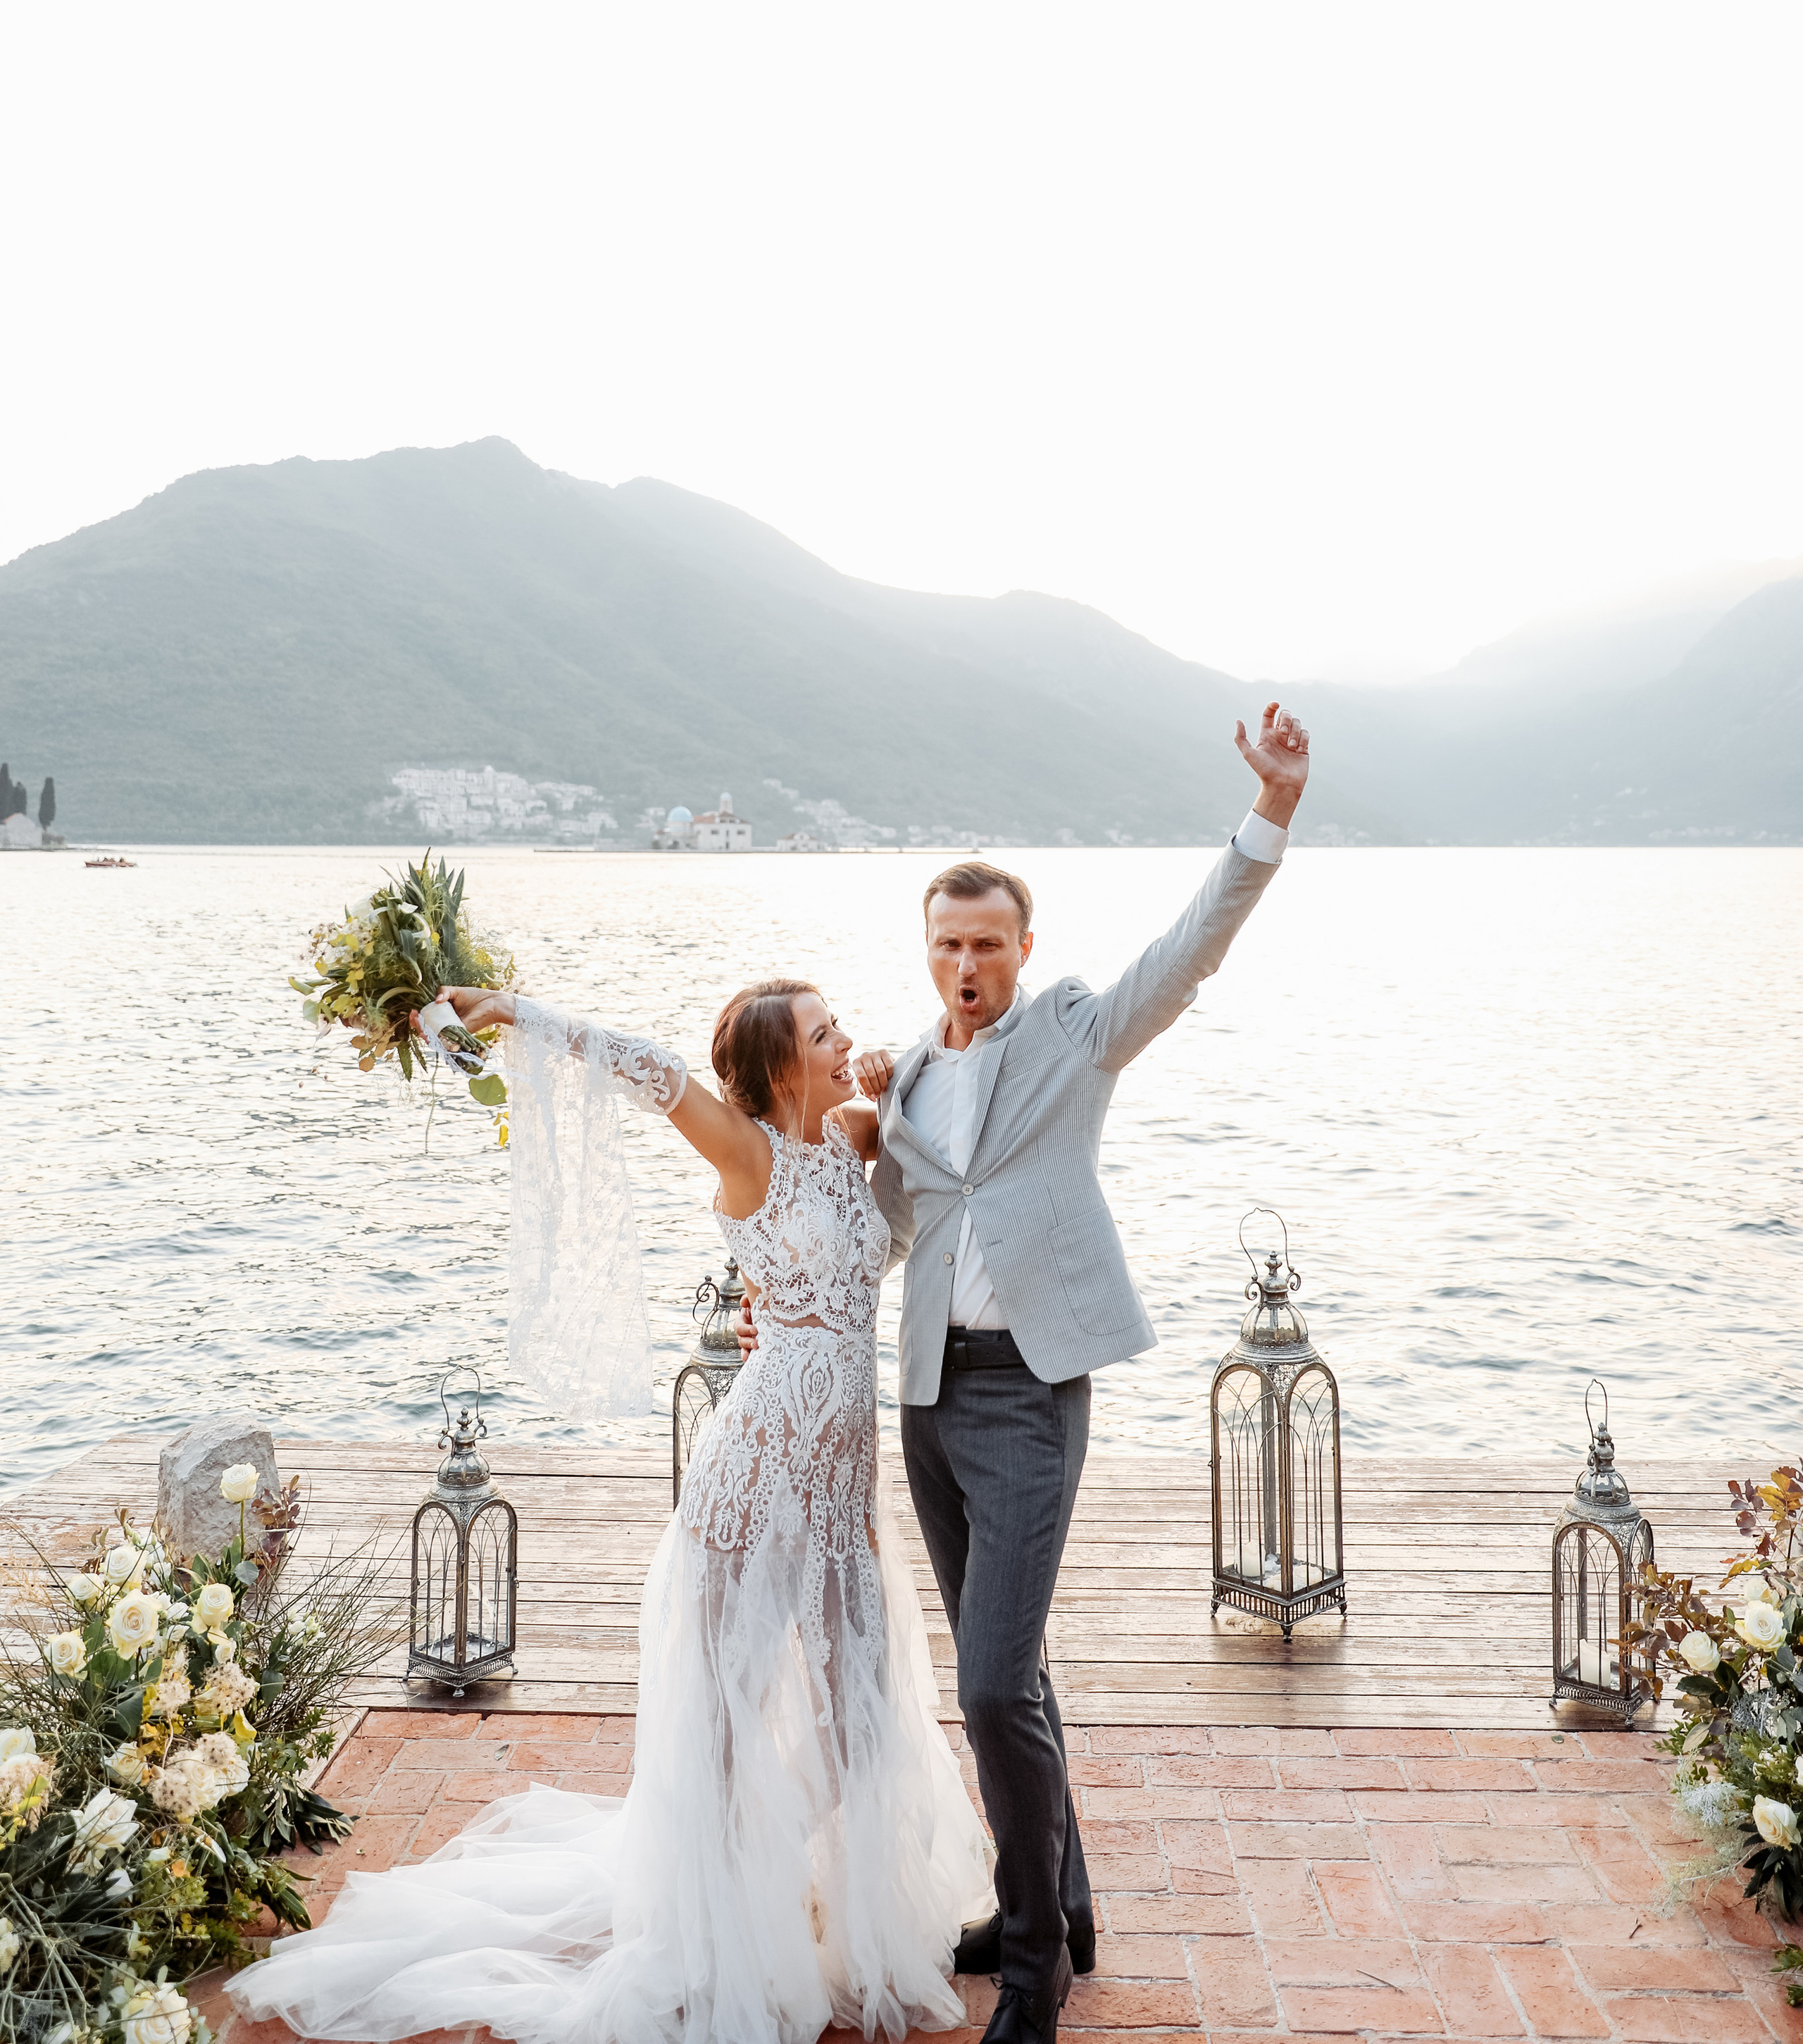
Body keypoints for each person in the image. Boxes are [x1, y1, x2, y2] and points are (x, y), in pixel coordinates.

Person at [227, 977, 992, 2044]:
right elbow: (648, 1069)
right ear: (779, 1070)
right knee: (725, 1715)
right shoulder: (748, 1152)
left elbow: (914, 1105)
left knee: (858, 1702)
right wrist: (514, 1012)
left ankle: (823, 1899)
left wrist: (884, 1079)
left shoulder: (848, 1135)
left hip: (838, 1481)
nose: (842, 1036)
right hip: (753, 1470)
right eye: (823, 1034)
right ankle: (722, 1926)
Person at [764, 699, 1311, 2044]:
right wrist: (835, 1161)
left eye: (987, 944)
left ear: (1023, 950)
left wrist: (1273, 810)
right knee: (1013, 1668)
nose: (966, 964)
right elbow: (893, 1234)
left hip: (1032, 1392)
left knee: (995, 1686)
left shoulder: (1071, 1035)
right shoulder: (893, 1087)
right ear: (928, 949)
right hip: (927, 1401)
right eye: (947, 944)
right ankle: (1062, 1897)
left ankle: (1030, 1971)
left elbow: (1187, 957)